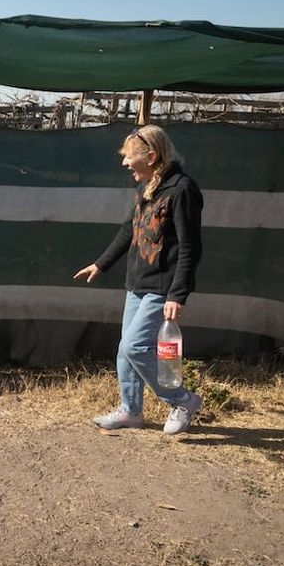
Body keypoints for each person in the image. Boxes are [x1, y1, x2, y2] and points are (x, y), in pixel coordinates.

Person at [73, 124, 204, 434]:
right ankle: (131, 410)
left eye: (129, 157)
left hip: (163, 287)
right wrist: (101, 264)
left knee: (134, 346)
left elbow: (190, 247)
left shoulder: (182, 189)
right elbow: (128, 230)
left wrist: (177, 295)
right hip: (137, 284)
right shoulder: (146, 187)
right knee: (124, 349)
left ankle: (182, 400)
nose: (124, 163)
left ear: (152, 155)